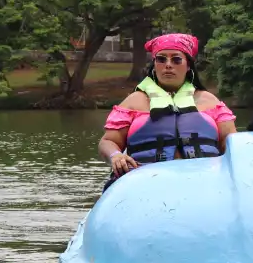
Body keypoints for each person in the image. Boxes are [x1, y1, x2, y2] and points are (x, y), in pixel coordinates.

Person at [98, 33, 237, 189]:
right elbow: (108, 141)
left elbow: (232, 144)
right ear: (154, 64)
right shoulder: (133, 102)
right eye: (161, 59)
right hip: (143, 183)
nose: (168, 65)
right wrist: (115, 155)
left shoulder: (210, 102)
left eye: (176, 59)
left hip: (204, 182)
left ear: (188, 65)